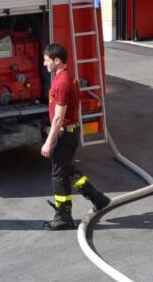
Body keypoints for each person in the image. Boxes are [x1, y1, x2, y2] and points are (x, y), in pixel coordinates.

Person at [40, 43, 111, 231]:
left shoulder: (62, 83)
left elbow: (58, 117)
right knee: (67, 170)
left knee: (59, 176)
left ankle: (63, 216)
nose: (44, 64)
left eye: (47, 61)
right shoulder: (66, 77)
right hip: (70, 133)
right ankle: (97, 198)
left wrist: (49, 142)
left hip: (64, 134)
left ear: (57, 61)